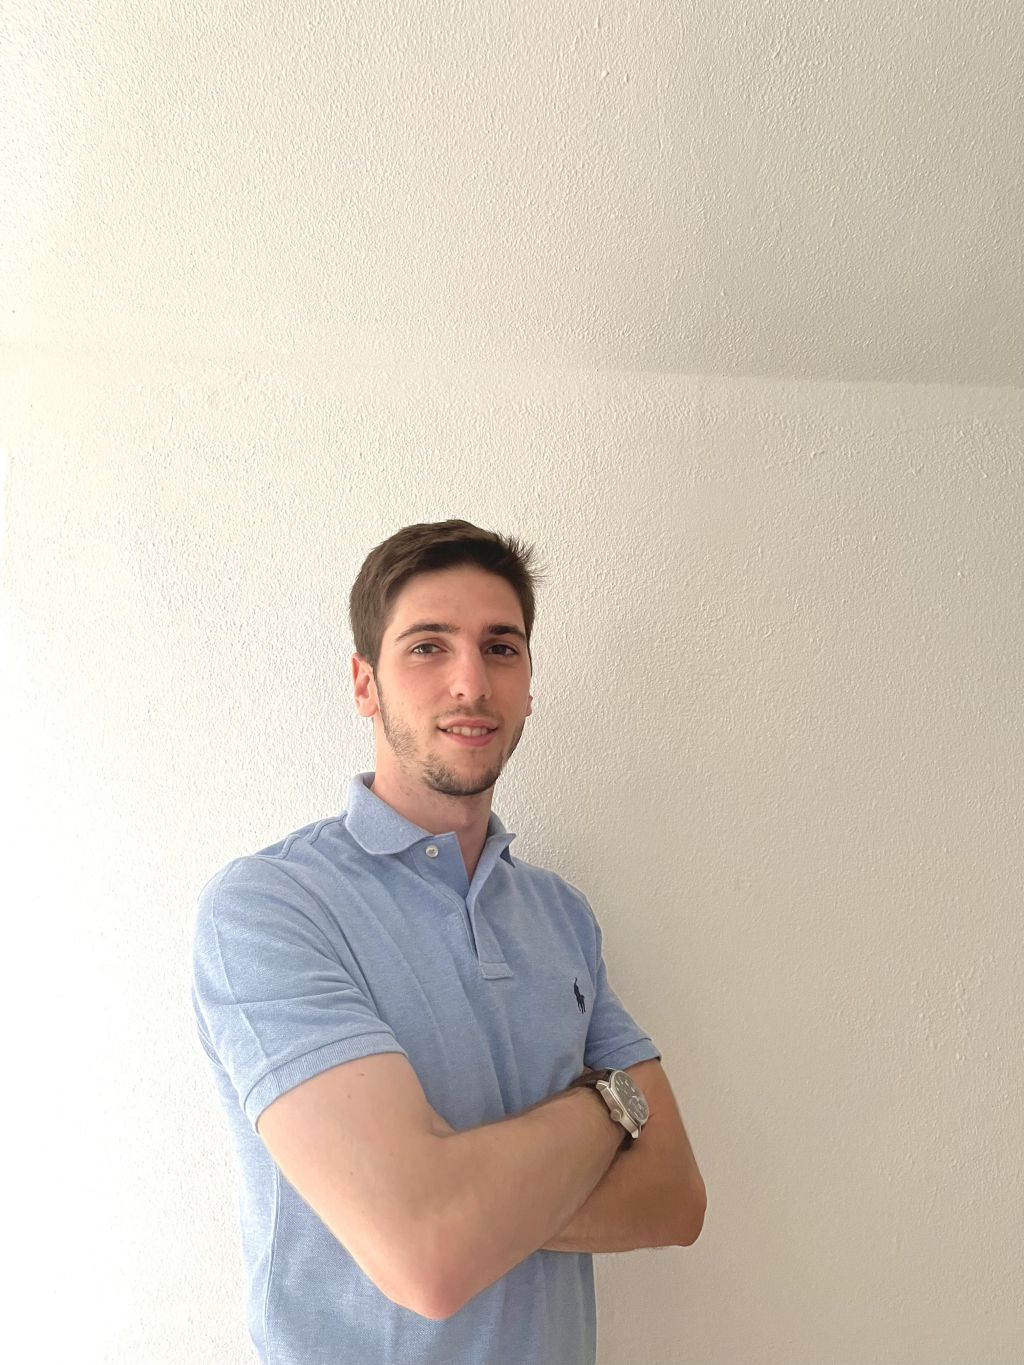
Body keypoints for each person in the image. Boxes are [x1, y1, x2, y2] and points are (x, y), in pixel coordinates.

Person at [191, 519, 706, 1365]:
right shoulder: (271, 907)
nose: (471, 681)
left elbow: (675, 1198)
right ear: (365, 683)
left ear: (529, 686)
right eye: (428, 647)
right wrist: (609, 1104)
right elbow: (427, 1253)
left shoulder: (562, 915)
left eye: (501, 648)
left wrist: (458, 1197)